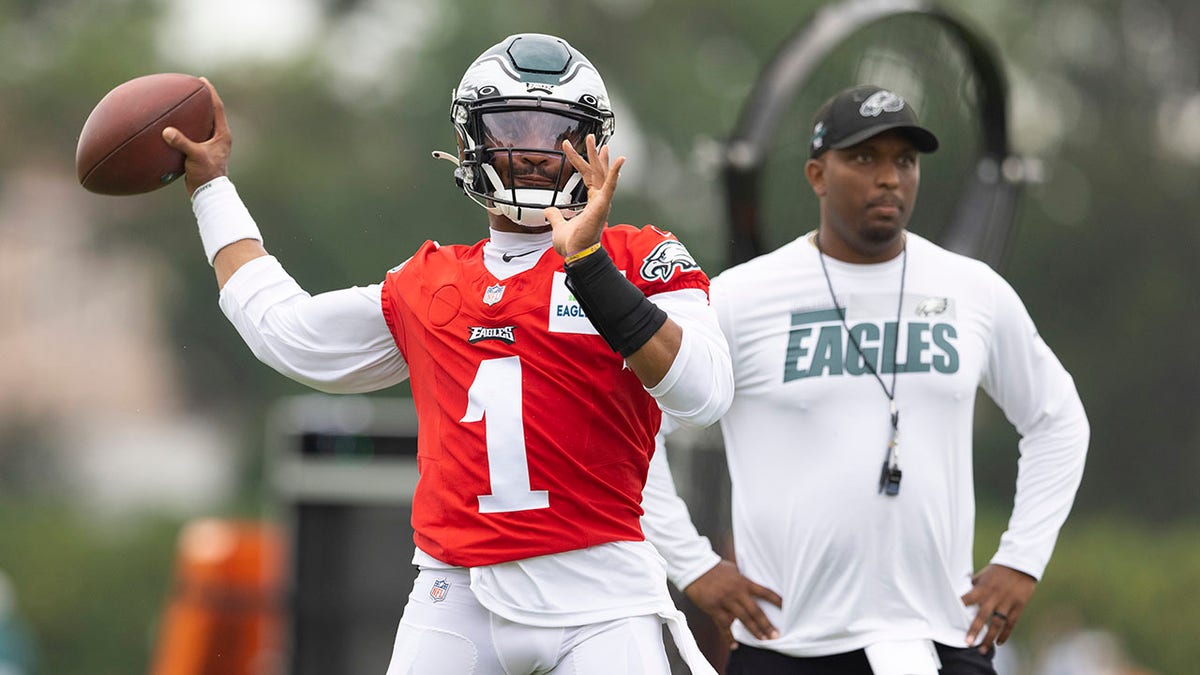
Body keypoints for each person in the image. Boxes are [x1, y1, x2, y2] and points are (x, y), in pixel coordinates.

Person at [162, 33, 736, 675]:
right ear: (472, 141)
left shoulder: (637, 256)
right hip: (455, 591)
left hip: (601, 596)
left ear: (593, 146)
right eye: (512, 126)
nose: (534, 151)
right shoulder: (428, 283)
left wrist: (590, 267)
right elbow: (286, 332)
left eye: (557, 132)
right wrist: (211, 189)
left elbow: (705, 394)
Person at [646, 85, 1090, 674]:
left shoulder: (972, 290)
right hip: (788, 642)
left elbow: (1058, 419)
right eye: (864, 158)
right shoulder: (742, 297)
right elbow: (633, 425)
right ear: (816, 174)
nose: (889, 178)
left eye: (903, 161)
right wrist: (692, 565)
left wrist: (1022, 559)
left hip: (942, 636)